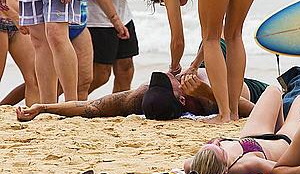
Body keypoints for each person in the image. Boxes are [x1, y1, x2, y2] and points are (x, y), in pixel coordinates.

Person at [141, 0, 263, 123]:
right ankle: (233, 113)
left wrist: (174, 68)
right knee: (234, 35)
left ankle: (224, 115)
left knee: (211, 38)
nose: (170, 3)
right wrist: (195, 64)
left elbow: (178, 40)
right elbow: (215, 36)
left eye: (163, 1)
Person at [15, 64, 268, 121]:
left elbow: (91, 107)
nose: (171, 74)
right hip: (255, 91)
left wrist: (44, 107)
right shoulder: (203, 97)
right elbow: (253, 110)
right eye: (170, 81)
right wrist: (213, 94)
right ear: (181, 98)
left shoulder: (144, 95)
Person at [183, 86, 300, 174]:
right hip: (281, 143)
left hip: (252, 136)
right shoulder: (247, 165)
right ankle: (282, 129)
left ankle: (279, 126)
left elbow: (193, 165)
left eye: (214, 144)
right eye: (220, 148)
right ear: (225, 169)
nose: (217, 143)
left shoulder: (193, 166)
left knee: (273, 91)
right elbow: (283, 171)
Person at [0, 0, 39, 106]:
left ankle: (35, 123)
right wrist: (16, 18)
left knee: (35, 78)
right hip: (9, 18)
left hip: (19, 18)